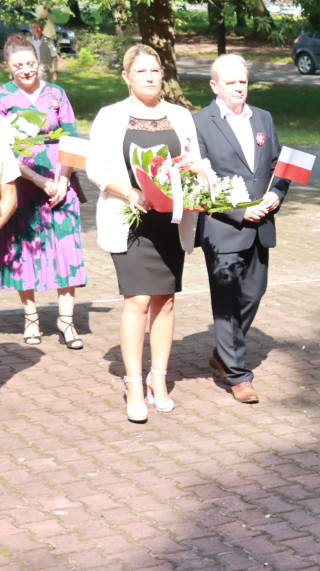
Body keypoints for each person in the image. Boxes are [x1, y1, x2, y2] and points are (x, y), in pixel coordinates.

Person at [85, 44, 200, 423]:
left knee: (165, 301)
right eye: (142, 71)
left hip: (169, 220)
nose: (151, 77)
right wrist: (130, 192)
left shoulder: (180, 116)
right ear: (127, 77)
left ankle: (159, 380)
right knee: (136, 300)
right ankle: (133, 383)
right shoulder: (110, 116)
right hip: (129, 220)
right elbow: (96, 168)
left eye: (156, 70)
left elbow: (194, 161)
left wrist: (194, 172)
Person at [193, 54, 289, 404]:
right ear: (214, 85)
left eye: (243, 81)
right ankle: (237, 374)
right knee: (227, 300)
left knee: (254, 293)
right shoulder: (199, 123)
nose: (238, 87)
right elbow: (199, 181)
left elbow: (279, 165)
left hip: (261, 224)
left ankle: (223, 353)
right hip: (222, 227)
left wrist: (276, 195)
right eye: (231, 82)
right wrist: (238, 212)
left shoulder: (262, 117)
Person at [0, 35, 86, 349]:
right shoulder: (3, 98)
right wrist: (37, 180)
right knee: (25, 249)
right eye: (19, 65)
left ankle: (67, 322)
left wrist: (63, 181)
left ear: (39, 63)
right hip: (21, 182)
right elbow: (2, 151)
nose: (26, 70)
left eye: (31, 63)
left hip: (60, 180)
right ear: (8, 67)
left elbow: (73, 141)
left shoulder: (57, 94)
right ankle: (31, 319)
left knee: (67, 246)